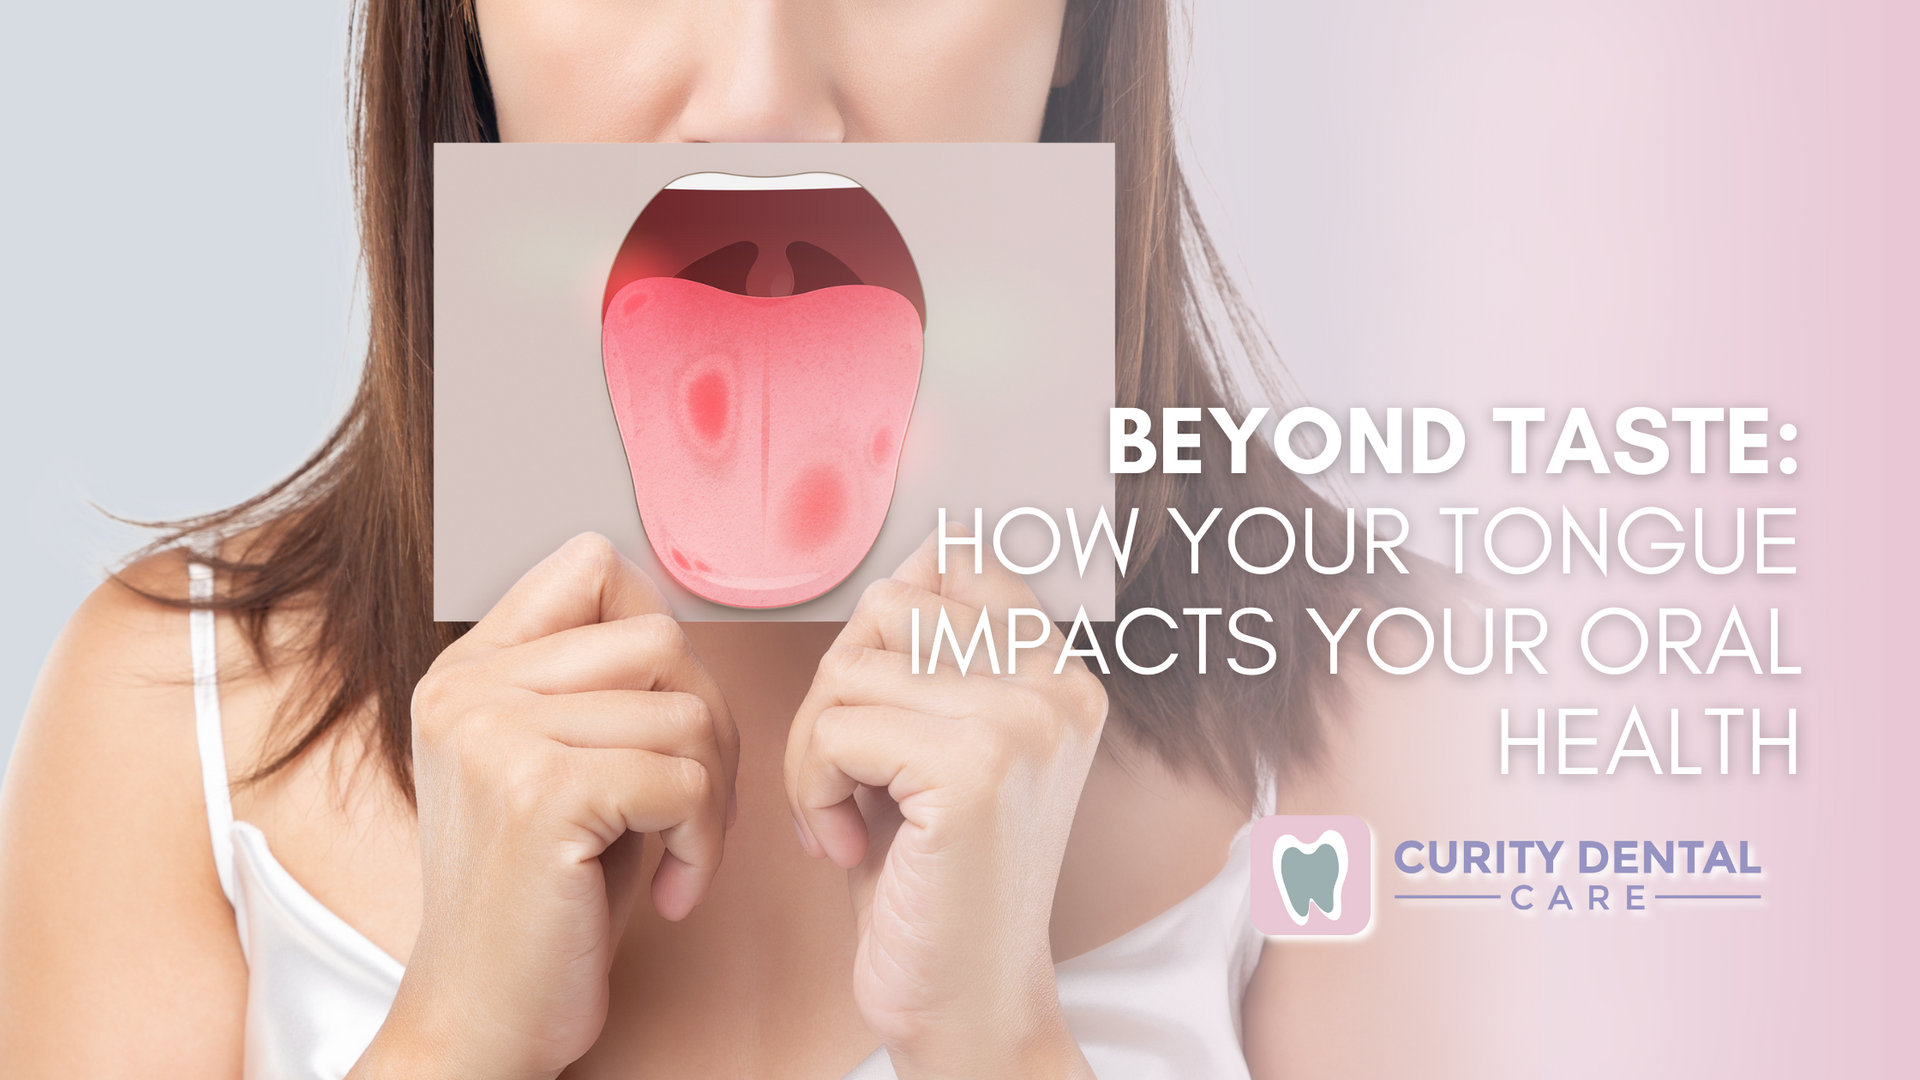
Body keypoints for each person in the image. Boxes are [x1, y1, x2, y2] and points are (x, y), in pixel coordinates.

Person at [0, 0, 1414, 1077]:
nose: (760, 99)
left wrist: (997, 1035)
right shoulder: (169, 721)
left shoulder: (1378, 709)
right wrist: (459, 1028)